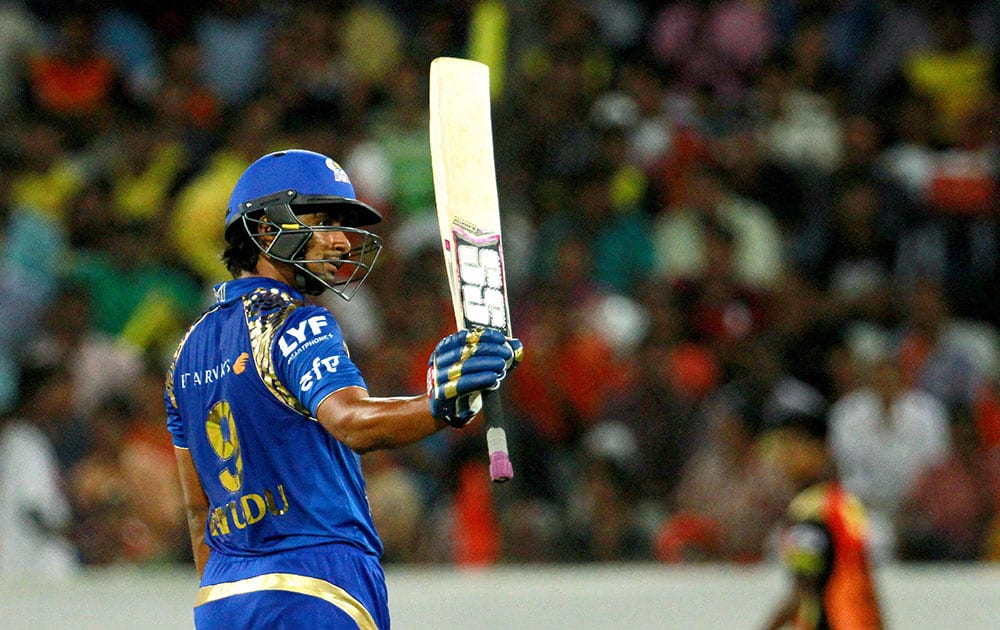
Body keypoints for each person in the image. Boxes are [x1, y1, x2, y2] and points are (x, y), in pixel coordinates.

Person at [165, 149, 522, 629]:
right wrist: (441, 406)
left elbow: (196, 512)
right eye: (324, 221)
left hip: (223, 597)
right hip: (319, 584)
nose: (340, 242)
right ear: (267, 229)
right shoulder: (296, 322)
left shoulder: (185, 352)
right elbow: (352, 422)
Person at [760, 411, 883, 630]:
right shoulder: (845, 503)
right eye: (782, 446)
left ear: (821, 451)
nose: (785, 457)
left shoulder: (809, 510)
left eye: (794, 445)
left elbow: (802, 591)